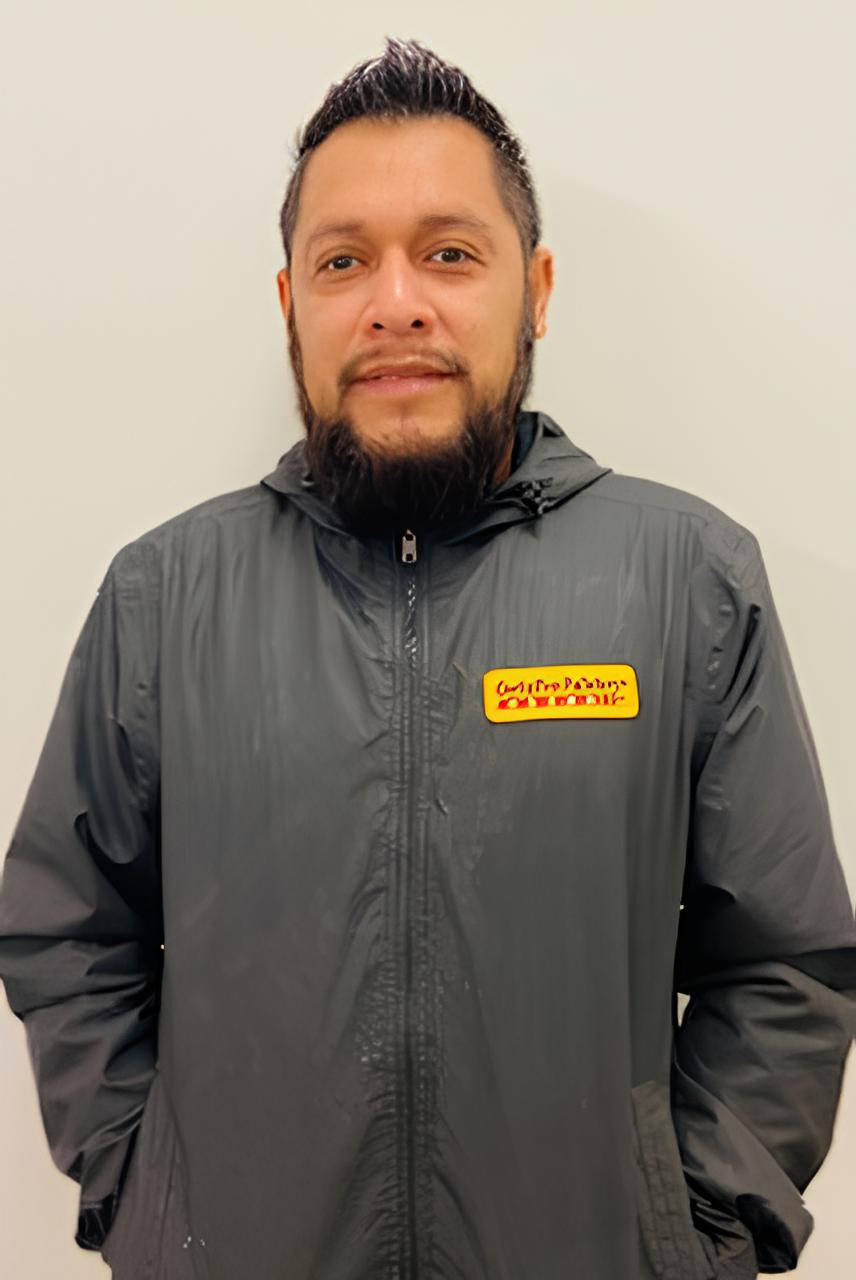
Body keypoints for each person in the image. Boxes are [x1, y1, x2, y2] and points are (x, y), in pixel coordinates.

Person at [0, 35, 853, 1280]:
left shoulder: (687, 582)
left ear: (536, 289)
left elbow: (785, 961)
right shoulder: (162, 597)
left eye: (449, 253)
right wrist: (150, 1203)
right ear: (290, 304)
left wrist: (694, 1238)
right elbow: (64, 930)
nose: (395, 301)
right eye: (343, 260)